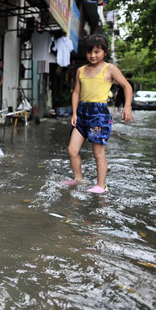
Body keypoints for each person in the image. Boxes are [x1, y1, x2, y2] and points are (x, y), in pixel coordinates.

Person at [63, 34, 133, 194]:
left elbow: (126, 86)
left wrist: (127, 106)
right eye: (89, 52)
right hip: (82, 113)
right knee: (72, 150)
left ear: (105, 52)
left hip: (99, 115)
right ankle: (78, 178)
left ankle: (101, 185)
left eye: (97, 52)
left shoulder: (110, 69)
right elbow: (76, 92)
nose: (92, 55)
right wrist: (74, 113)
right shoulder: (80, 70)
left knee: (98, 153)